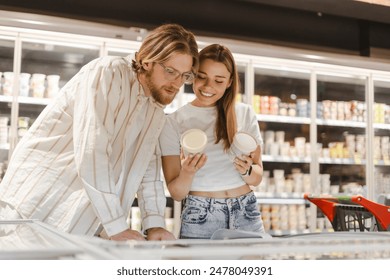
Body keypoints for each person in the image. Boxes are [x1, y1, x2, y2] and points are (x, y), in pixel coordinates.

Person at [0, 23, 199, 241]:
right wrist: (116, 227)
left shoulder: (155, 108)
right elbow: (93, 151)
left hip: (80, 222)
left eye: (185, 76)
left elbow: (147, 169)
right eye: (170, 71)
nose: (177, 83)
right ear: (147, 60)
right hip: (36, 208)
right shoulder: (108, 73)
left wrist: (155, 223)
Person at [159, 44, 265, 239]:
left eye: (219, 80)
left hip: (246, 211)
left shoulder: (244, 113)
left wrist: (247, 170)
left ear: (229, 82)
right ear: (192, 75)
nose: (208, 87)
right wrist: (187, 172)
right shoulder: (174, 122)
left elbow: (257, 177)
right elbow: (177, 193)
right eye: (202, 77)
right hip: (201, 214)